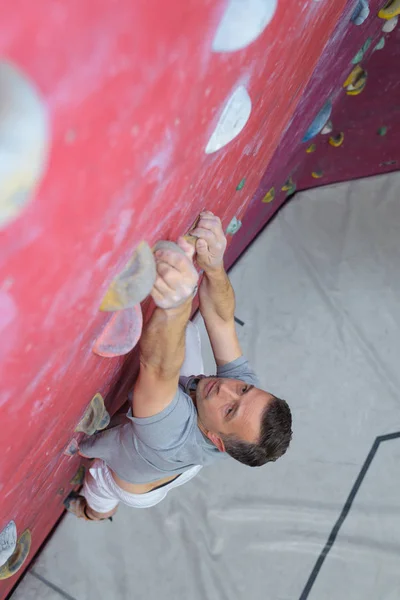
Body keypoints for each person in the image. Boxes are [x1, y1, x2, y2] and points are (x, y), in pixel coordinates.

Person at [65, 211, 292, 521]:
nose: (226, 388)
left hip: (136, 486)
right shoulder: (243, 404)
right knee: (186, 332)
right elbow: (223, 321)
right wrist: (213, 267)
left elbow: (158, 368)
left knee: (98, 500)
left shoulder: (170, 438)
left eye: (229, 409)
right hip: (188, 452)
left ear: (216, 438)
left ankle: (89, 513)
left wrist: (178, 301)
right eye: (243, 388)